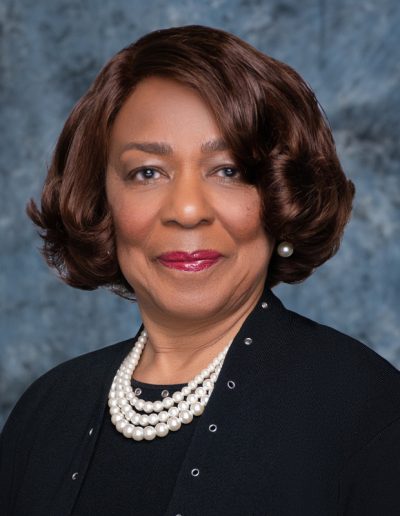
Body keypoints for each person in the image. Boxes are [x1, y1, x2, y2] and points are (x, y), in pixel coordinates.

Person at [1, 24, 399, 516]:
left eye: (228, 170)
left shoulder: (367, 410)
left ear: (283, 195)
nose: (187, 210)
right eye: (147, 172)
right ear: (101, 201)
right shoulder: (45, 412)